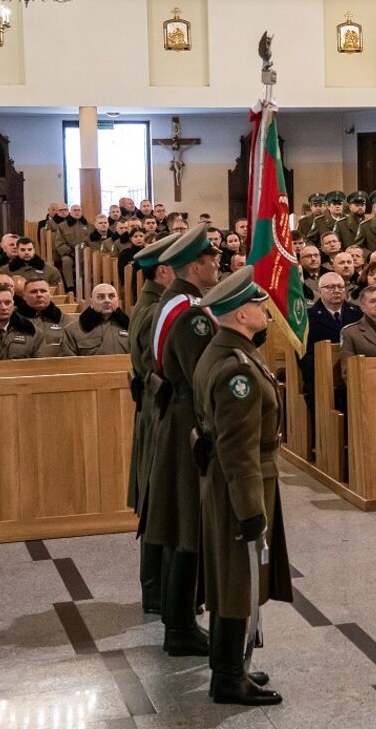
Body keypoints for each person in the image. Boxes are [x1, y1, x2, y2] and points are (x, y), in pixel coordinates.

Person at [192, 266, 291, 706]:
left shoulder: (227, 351)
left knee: (233, 578)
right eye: (258, 304)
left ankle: (231, 665)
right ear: (239, 314)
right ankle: (229, 678)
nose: (265, 309)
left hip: (230, 482)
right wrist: (252, 511)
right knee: (238, 582)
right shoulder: (239, 370)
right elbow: (239, 450)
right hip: (243, 486)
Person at [147, 225, 221, 657]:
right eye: (212, 260)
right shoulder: (191, 313)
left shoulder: (174, 300)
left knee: (183, 524)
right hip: (187, 421)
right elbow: (200, 377)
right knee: (188, 527)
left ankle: (181, 622)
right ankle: (179, 627)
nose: (218, 265)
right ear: (196, 265)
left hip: (175, 416)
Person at [126, 233, 179, 615]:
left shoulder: (154, 305)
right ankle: (158, 595)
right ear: (163, 272)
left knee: (159, 503)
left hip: (156, 414)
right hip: (159, 417)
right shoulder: (155, 311)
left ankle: (160, 594)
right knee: (158, 505)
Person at [298, 272, 363, 396]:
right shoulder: (307, 318)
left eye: (340, 287)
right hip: (320, 378)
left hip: (354, 375)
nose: (337, 290)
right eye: (331, 287)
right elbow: (303, 355)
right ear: (319, 291)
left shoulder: (357, 313)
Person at [63, 284, 130, 355]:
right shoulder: (72, 331)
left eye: (111, 296)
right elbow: (68, 363)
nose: (107, 300)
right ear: (91, 302)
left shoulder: (131, 327)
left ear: (117, 301)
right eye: (101, 297)